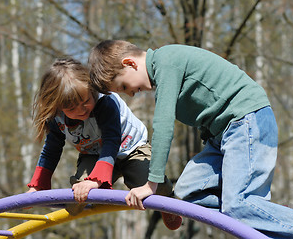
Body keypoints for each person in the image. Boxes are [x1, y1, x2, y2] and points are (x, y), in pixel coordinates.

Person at [87, 40, 293, 239]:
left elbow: (164, 124)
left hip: (246, 121)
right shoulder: (164, 74)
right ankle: (266, 214)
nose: (130, 94)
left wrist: (151, 184)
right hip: (223, 136)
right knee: (188, 194)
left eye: (122, 87)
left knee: (237, 205)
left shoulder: (167, 62)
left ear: (130, 64)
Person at [27, 57, 182, 230]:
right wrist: (37, 187)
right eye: (71, 108)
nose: (82, 109)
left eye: (86, 101)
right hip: (93, 153)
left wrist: (96, 180)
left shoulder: (104, 102)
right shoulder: (56, 119)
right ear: (57, 107)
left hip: (131, 148)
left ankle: (167, 198)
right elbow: (51, 150)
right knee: (80, 191)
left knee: (149, 185)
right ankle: (94, 195)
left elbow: (111, 141)